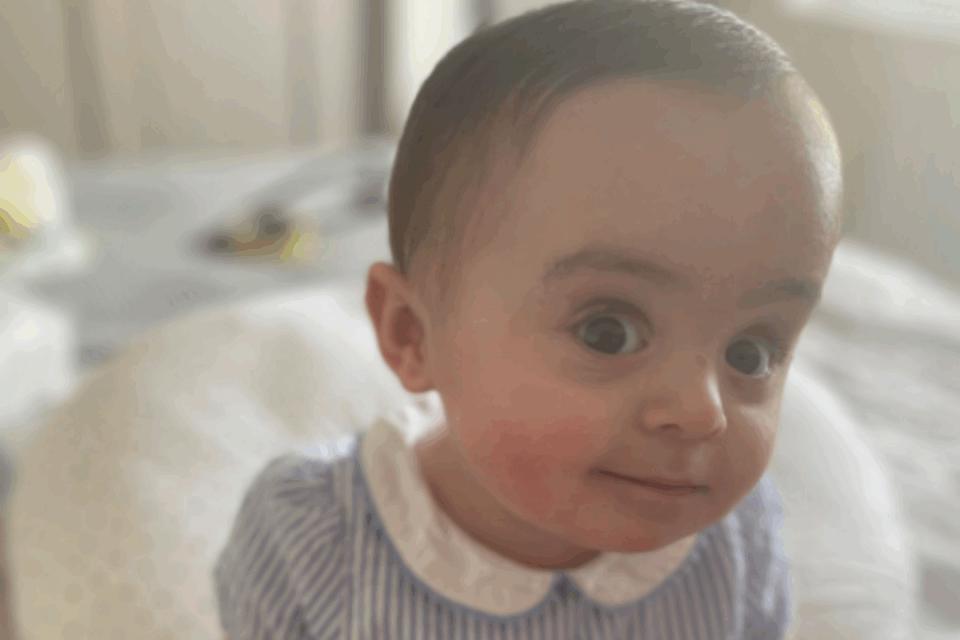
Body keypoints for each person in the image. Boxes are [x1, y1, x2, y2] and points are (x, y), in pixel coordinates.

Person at [214, 1, 843, 637]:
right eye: (609, 331)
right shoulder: (312, 538)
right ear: (413, 334)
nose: (702, 411)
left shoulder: (734, 537)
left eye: (752, 351)